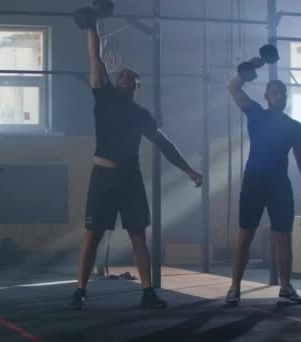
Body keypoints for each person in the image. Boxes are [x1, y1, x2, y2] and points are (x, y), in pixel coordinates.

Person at [69, 19, 204, 310]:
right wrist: (91, 26)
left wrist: (189, 170)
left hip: (130, 178)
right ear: (117, 81)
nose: (128, 79)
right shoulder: (103, 97)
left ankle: (147, 292)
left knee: (138, 236)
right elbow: (95, 58)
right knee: (93, 236)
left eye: (133, 78)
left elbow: (165, 145)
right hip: (102, 176)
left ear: (137, 87)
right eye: (124, 76)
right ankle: (79, 291)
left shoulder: (141, 114)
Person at [225, 57, 301, 306]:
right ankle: (234, 286)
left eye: (283, 93)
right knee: (245, 236)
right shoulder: (256, 113)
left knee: (283, 236)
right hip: (254, 181)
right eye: (275, 93)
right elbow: (233, 88)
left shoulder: (294, 127)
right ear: (267, 97)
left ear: (286, 97)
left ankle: (285, 286)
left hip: (279, 184)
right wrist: (252, 67)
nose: (279, 96)